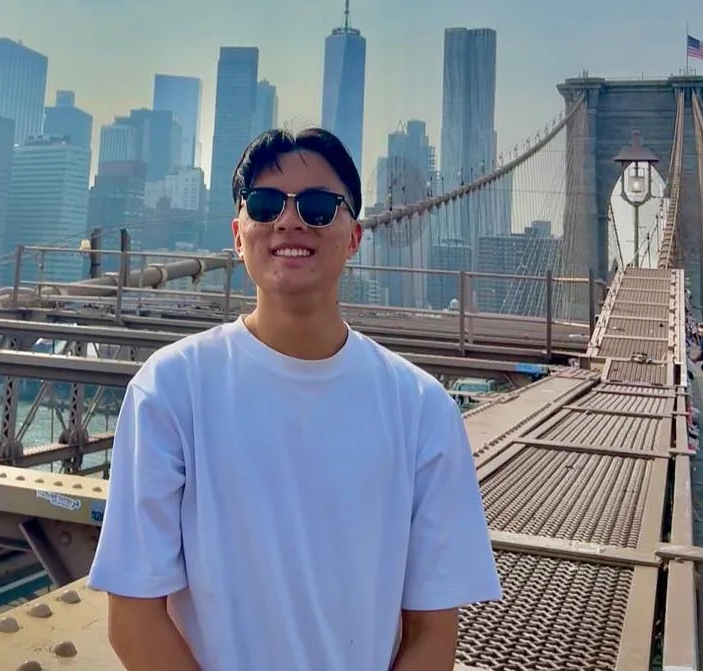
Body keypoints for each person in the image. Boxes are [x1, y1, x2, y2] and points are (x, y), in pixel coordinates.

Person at [88, 127, 502, 670]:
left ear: (354, 236)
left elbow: (432, 634)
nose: (290, 220)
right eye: (264, 205)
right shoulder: (169, 389)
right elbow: (135, 614)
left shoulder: (422, 409)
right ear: (239, 235)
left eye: (318, 206)